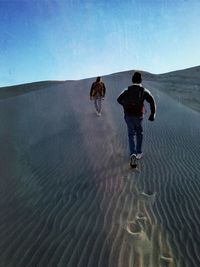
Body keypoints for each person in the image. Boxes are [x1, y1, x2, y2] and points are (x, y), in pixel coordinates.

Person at [117, 71, 156, 168]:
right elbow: (152, 101)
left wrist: (124, 105)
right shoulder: (144, 90)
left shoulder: (127, 89)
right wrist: (152, 114)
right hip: (139, 116)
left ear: (132, 80)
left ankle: (132, 153)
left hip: (128, 116)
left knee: (131, 134)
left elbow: (118, 99)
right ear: (141, 80)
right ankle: (138, 152)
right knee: (139, 133)